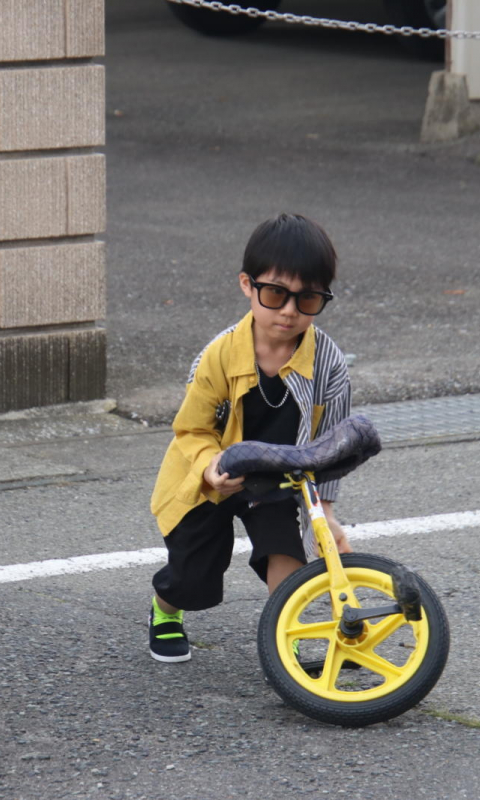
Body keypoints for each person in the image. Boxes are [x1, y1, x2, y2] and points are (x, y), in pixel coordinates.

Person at [148, 213, 353, 663]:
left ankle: (288, 636)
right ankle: (165, 611)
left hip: (278, 477)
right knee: (193, 572)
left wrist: (327, 516)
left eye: (308, 300)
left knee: (288, 554)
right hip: (213, 477)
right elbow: (193, 429)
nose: (289, 311)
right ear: (247, 284)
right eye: (276, 293)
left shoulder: (329, 365)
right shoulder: (218, 355)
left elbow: (334, 446)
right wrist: (209, 468)